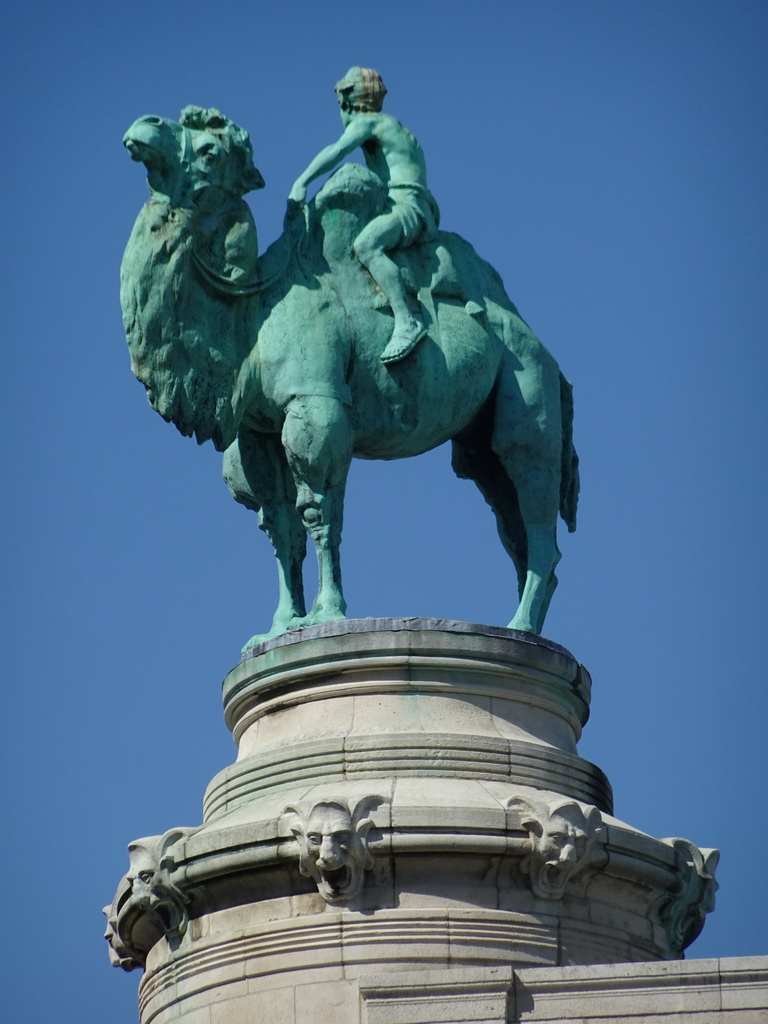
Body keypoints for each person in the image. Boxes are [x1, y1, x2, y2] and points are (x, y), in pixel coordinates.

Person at [289, 67, 440, 364]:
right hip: (410, 204)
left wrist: (301, 182)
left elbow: (337, 149)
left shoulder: (370, 122)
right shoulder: (395, 128)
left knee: (366, 244)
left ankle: (407, 320)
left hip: (407, 207)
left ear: (347, 103)